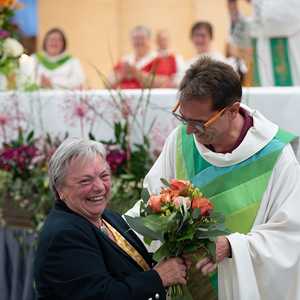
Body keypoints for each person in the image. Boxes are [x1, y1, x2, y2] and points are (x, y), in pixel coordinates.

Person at [126, 57, 300, 299]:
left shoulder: (277, 156)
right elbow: (150, 202)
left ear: (232, 111)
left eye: (198, 123)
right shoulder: (181, 141)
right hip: (186, 285)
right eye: (183, 118)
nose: (188, 131)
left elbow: (289, 234)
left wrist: (233, 247)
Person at [34, 137, 189, 299]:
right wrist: (159, 277)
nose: (100, 187)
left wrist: (170, 262)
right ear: (60, 189)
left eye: (104, 176)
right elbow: (101, 294)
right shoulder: (64, 235)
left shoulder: (107, 217)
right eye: (86, 180)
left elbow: (127, 265)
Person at [227, 0, 300, 86]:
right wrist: (233, 11)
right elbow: (244, 41)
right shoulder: (260, 11)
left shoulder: (291, 4)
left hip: (291, 78)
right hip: (262, 76)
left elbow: (273, 19)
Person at [106, 26, 179, 89]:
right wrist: (122, 75)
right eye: (135, 39)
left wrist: (136, 73)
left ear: (149, 40)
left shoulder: (159, 59)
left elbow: (163, 82)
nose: (138, 42)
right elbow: (107, 84)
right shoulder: (125, 61)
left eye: (142, 38)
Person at [19, 28, 86, 89]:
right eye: (51, 39)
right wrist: (40, 83)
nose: (54, 43)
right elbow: (26, 78)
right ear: (45, 42)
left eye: (58, 40)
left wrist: (52, 83)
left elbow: (78, 81)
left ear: (63, 43)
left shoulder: (72, 61)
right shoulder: (35, 59)